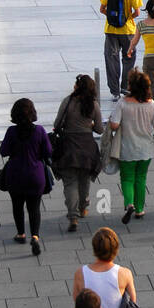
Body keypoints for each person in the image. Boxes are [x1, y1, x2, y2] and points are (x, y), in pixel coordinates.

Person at [108, 68, 154, 223]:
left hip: (127, 149)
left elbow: (114, 125)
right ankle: (140, 209)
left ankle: (129, 204)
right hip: (146, 150)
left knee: (127, 178)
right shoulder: (151, 104)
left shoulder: (123, 103)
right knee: (141, 178)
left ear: (131, 86)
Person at [0, 98, 52, 254]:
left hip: (15, 175)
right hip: (36, 175)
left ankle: (21, 233)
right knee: (34, 208)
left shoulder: (11, 131)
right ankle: (34, 236)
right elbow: (48, 151)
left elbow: (3, 151)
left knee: (17, 205)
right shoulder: (40, 131)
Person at [52, 74, 103, 232]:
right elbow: (100, 129)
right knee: (84, 180)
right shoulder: (93, 105)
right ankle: (83, 207)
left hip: (69, 147)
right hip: (87, 147)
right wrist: (91, 124)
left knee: (70, 183)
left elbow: (56, 124)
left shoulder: (67, 102)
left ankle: (73, 216)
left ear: (76, 87)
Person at [100, 0, 142, 101]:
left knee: (111, 60)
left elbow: (102, 9)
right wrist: (126, 18)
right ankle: (126, 87)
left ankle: (114, 91)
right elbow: (137, 12)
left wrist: (112, 18)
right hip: (128, 31)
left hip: (111, 30)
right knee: (129, 58)